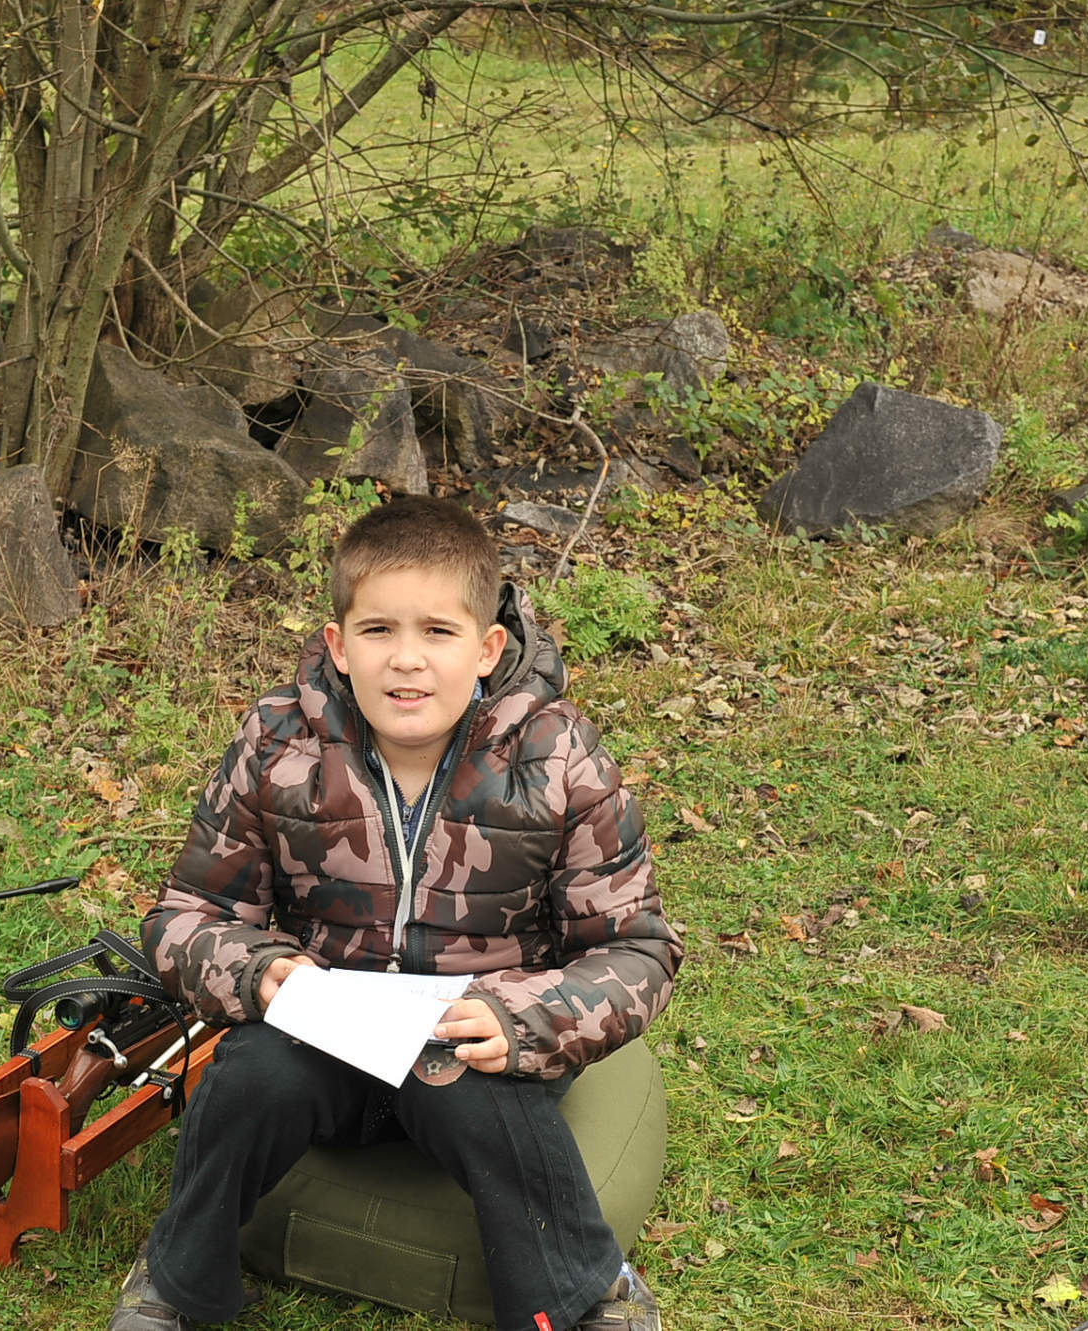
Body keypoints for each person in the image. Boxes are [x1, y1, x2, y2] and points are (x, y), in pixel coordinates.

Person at [117, 495, 681, 1331]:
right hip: (324, 1033)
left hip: (474, 1043)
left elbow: (637, 948)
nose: (406, 660)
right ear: (339, 645)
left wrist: (522, 1020)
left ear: (487, 648)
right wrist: (257, 971)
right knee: (249, 1076)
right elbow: (185, 914)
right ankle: (175, 1281)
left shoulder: (557, 754)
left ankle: (590, 1294)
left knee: (471, 1091)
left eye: (438, 632)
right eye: (378, 630)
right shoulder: (277, 743)